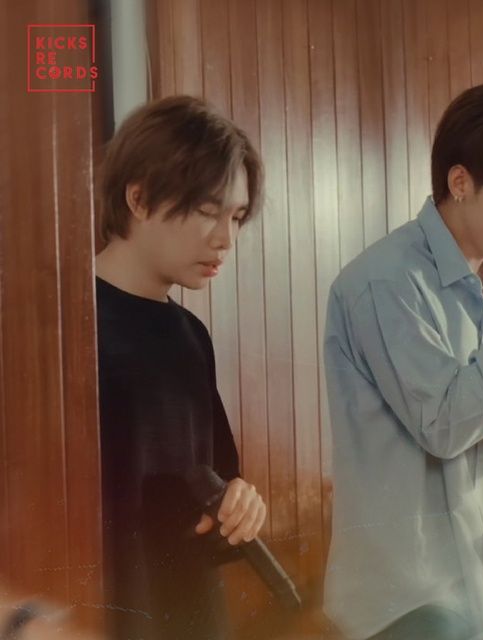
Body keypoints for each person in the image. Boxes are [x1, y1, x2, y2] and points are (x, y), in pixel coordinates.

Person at [322, 82, 483, 640]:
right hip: (404, 600)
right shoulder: (386, 283)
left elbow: (481, 435)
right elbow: (444, 427)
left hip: (466, 585)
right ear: (460, 182)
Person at [95, 95, 267, 640]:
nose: (226, 239)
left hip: (191, 613)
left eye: (236, 216)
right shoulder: (67, 331)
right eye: (208, 211)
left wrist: (241, 504)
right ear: (139, 198)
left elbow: (217, 485)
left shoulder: (191, 335)